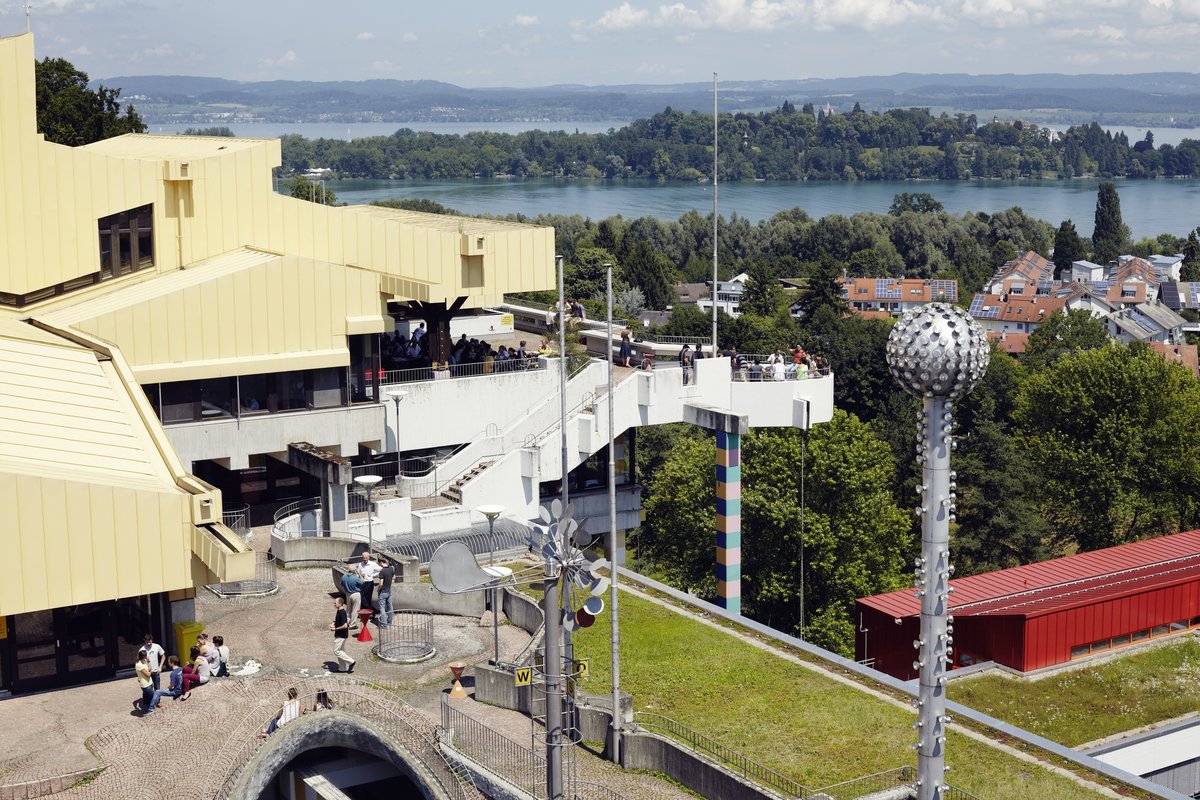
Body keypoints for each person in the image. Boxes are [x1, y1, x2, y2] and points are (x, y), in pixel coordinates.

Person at [331, 596, 356, 673]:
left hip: (341, 635)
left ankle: (351, 661)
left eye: (335, 603)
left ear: (340, 603)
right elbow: (339, 621)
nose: (334, 604)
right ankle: (342, 668)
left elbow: (345, 625)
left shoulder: (342, 613)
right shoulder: (339, 611)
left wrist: (335, 629)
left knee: (337, 651)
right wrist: (334, 623)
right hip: (341, 634)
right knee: (341, 651)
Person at [376, 555, 396, 627]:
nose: (379, 565)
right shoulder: (391, 568)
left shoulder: (382, 571)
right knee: (390, 606)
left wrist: (378, 589)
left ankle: (384, 625)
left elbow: (381, 583)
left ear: (381, 562)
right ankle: (390, 622)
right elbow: (394, 577)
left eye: (379, 564)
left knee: (382, 608)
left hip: (383, 592)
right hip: (388, 591)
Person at [136, 649, 154, 714]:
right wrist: (150, 672)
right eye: (146, 656)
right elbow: (148, 674)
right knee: (151, 698)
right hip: (146, 685)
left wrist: (148, 661)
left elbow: (149, 668)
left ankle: (146, 711)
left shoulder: (144, 663)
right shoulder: (139, 665)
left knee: (146, 699)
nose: (147, 657)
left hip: (149, 683)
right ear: (144, 657)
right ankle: (147, 711)